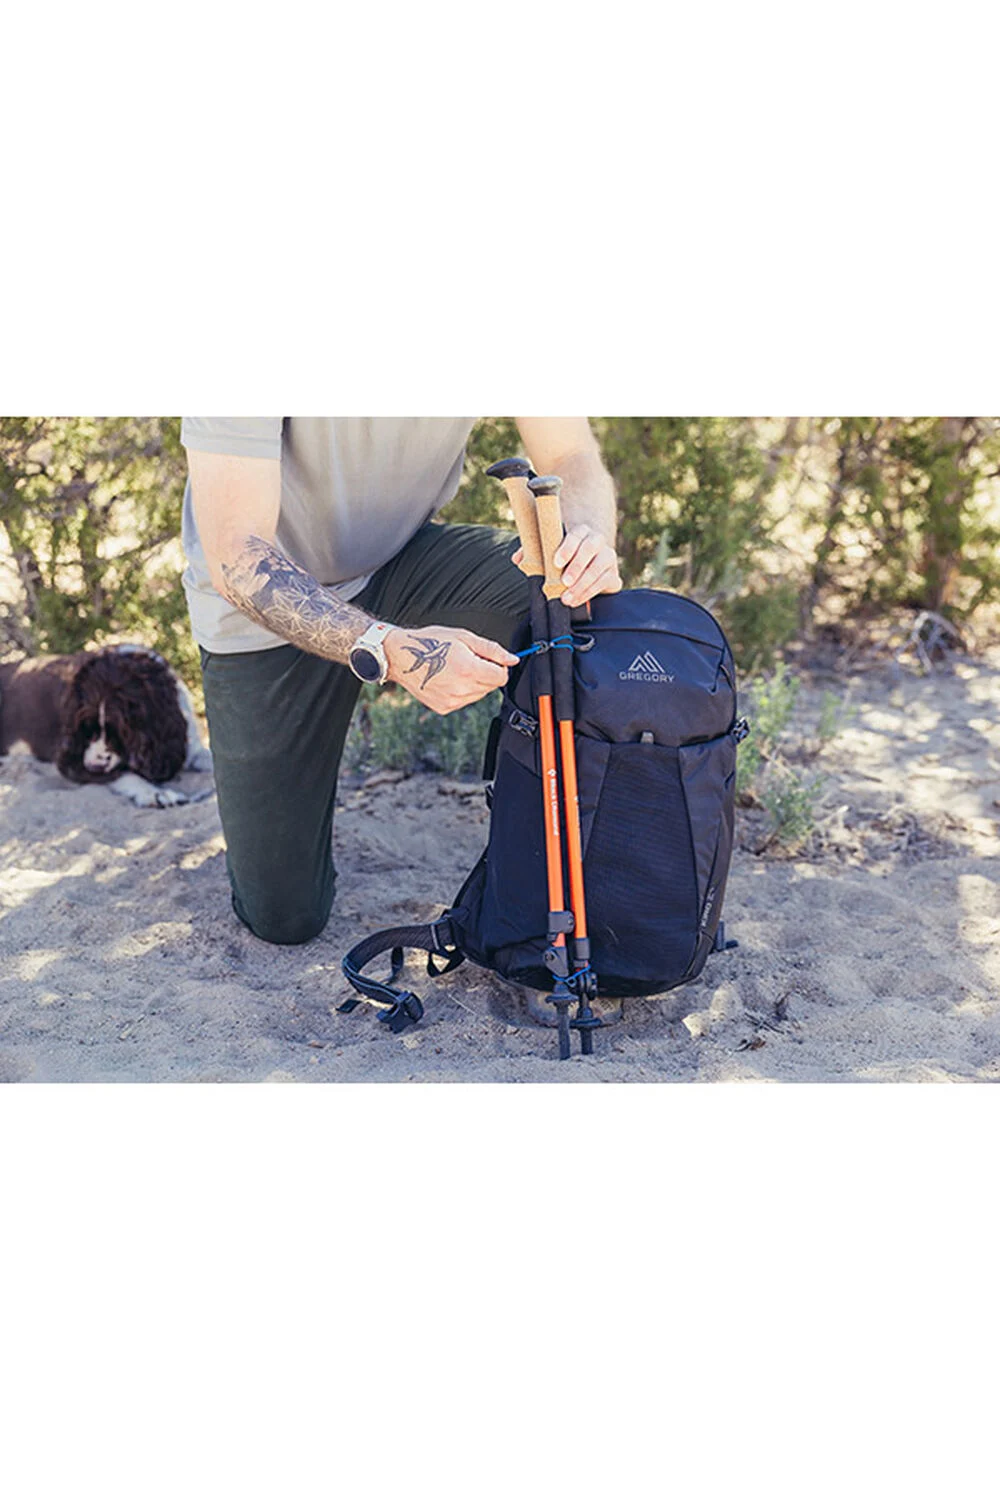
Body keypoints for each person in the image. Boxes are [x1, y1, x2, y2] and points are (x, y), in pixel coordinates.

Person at [181, 417, 621, 944]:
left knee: (585, 615)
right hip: (263, 614)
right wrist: (384, 647)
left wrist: (588, 540)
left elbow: (571, 457)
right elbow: (237, 554)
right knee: (284, 916)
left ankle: (583, 870)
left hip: (400, 562)